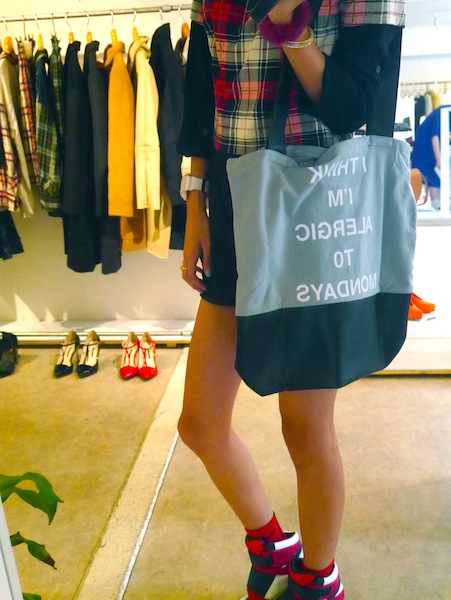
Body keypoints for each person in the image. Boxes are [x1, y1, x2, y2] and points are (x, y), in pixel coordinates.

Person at [176, 1, 405, 598]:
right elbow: (203, 96)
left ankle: (319, 576)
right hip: (235, 199)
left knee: (304, 428)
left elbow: (354, 106)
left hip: (311, 202)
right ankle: (272, 543)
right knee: (200, 423)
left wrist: (291, 30)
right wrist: (195, 202)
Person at [411, 104, 451, 210]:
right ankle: (436, 203)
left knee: (436, 172)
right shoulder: (444, 112)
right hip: (426, 143)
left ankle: (440, 203)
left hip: (433, 143)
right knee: (432, 170)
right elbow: (435, 136)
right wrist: (439, 158)